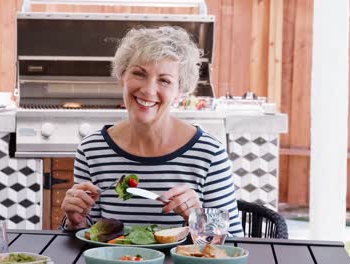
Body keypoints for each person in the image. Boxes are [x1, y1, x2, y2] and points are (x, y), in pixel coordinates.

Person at [61, 26, 243, 237]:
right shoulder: (92, 150)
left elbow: (233, 246)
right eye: (139, 73)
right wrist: (75, 221)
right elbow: (89, 235)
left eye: (164, 80)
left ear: (180, 91)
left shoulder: (209, 154)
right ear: (122, 76)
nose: (148, 90)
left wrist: (197, 218)